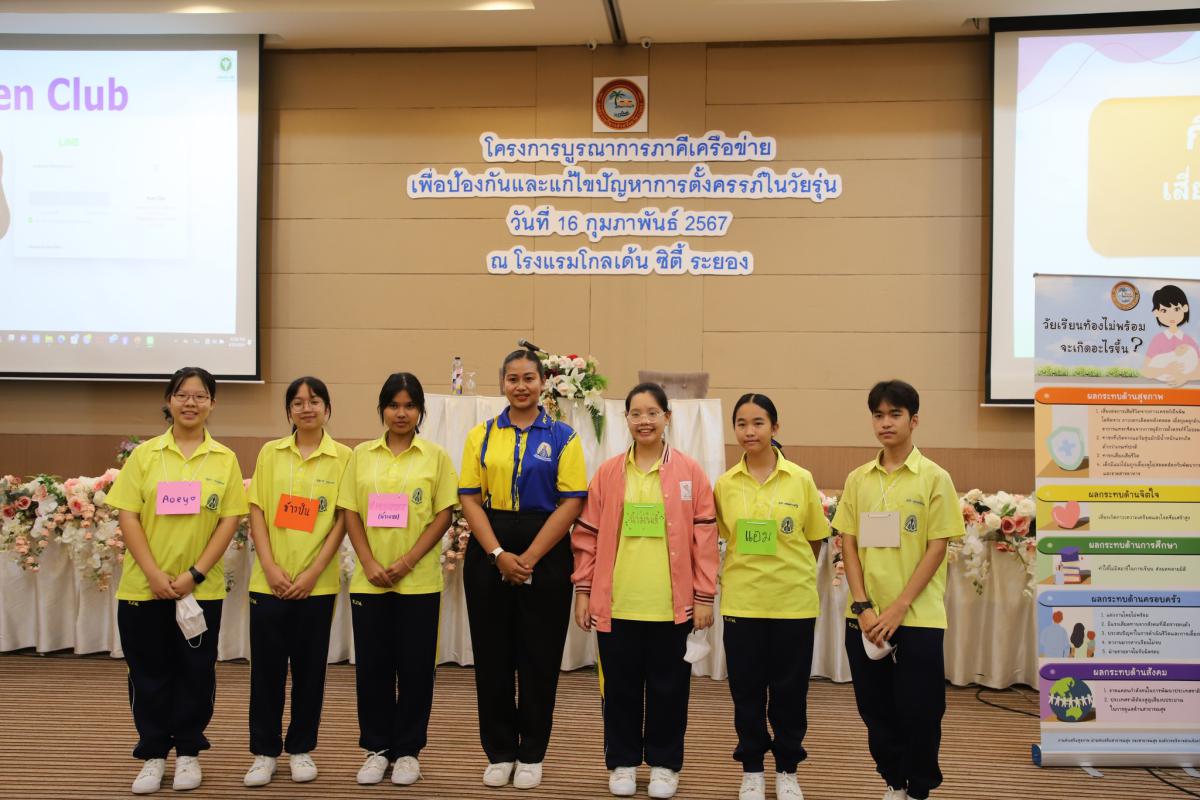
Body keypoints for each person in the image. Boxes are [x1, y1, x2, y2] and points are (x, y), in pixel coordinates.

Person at [572, 382, 719, 800]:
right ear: (626, 420)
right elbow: (586, 535)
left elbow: (705, 538)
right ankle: (621, 762)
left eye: (653, 413)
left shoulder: (690, 472)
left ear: (667, 418)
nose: (644, 421)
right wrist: (584, 591)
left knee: (669, 690)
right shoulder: (609, 473)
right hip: (617, 603)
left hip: (671, 606)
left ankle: (664, 764)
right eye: (636, 414)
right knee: (618, 690)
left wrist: (704, 595)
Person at [106, 367, 248, 795]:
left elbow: (228, 521)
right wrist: (153, 573)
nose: (191, 403)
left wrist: (195, 574)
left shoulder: (223, 458)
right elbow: (128, 515)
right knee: (148, 673)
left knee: (195, 672)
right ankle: (153, 754)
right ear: (169, 400)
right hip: (143, 588)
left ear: (212, 404)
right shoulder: (145, 455)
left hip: (200, 590)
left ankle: (188, 752)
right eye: (182, 394)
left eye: (200, 396)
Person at [459, 349, 588, 789]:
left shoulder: (564, 437)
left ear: (542, 383)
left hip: (546, 549)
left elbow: (572, 501)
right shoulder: (480, 435)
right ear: (502, 383)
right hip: (490, 545)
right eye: (512, 378)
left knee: (539, 656)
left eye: (529, 378)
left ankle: (532, 753)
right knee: (492, 655)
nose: (520, 386)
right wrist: (498, 553)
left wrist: (530, 557)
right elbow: (469, 497)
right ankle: (499, 751)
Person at [832, 380, 965, 800]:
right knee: (875, 709)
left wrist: (900, 607)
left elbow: (937, 546)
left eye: (895, 414)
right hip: (866, 617)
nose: (885, 423)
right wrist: (863, 606)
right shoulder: (858, 479)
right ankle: (894, 781)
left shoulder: (935, 478)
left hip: (918, 616)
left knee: (922, 710)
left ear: (914, 420)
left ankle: (919, 787)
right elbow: (848, 544)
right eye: (878, 415)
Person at [338, 372, 459, 786]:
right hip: (369, 581)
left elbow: (443, 514)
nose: (401, 413)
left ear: (421, 411)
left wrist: (407, 561)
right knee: (372, 667)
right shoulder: (361, 455)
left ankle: (408, 751)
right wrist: (368, 561)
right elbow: (350, 511)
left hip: (418, 582)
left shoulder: (435, 457)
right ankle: (376, 749)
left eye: (409, 406)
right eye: (393, 405)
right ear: (382, 409)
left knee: (415, 668)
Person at [713, 394, 829, 800]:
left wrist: (788, 573)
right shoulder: (725, 484)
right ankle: (752, 771)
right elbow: (723, 538)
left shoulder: (800, 478)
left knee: (789, 694)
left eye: (758, 423)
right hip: (742, 604)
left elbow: (814, 539)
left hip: (792, 605)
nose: (750, 431)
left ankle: (787, 769)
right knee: (745, 694)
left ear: (775, 428)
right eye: (741, 424)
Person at [242, 377, 352, 787]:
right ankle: (264, 752)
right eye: (298, 402)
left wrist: (312, 573)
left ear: (327, 408)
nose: (307, 408)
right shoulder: (271, 452)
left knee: (310, 672)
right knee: (266, 671)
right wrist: (269, 566)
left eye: (315, 401)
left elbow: (342, 520)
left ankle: (302, 748)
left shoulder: (343, 457)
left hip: (316, 585)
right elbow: (256, 511)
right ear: (288, 410)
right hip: (268, 582)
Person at [1141, 284, 1199, 387]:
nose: (1171, 315)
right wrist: (1166, 370)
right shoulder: (1157, 340)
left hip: (1187, 392)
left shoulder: (1188, 340)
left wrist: (1185, 377)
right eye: (1164, 310)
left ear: (1185, 308)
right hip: (1159, 392)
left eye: (1176, 309)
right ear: (1156, 313)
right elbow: (1146, 371)